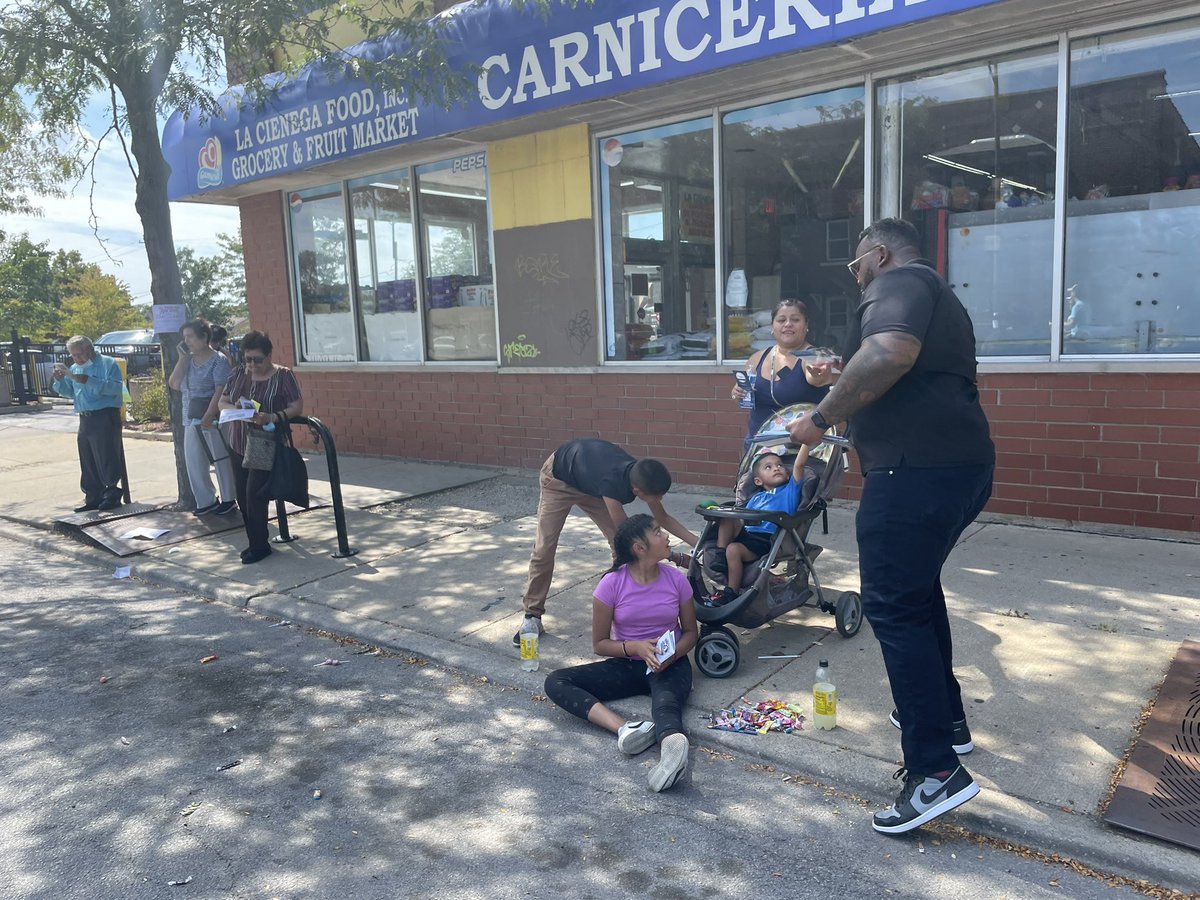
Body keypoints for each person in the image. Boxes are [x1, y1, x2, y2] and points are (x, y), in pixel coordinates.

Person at [787, 218, 995, 835]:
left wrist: (820, 419)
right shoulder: (938, 293)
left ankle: (934, 772)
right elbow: (899, 370)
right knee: (917, 594)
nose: (857, 279)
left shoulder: (898, 280)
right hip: (956, 468)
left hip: (913, 474)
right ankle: (946, 723)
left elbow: (889, 354)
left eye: (856, 267)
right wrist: (843, 377)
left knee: (894, 608)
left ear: (877, 255)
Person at [543, 514, 698, 793]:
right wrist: (634, 647)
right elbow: (600, 644)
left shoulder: (676, 579)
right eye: (657, 532)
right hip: (628, 664)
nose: (666, 536)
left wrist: (671, 656)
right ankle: (625, 729)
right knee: (556, 681)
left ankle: (672, 749)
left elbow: (690, 633)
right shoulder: (611, 584)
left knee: (666, 706)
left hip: (670, 665)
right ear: (640, 548)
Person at [517, 437, 699, 646]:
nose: (659, 500)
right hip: (559, 479)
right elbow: (629, 538)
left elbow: (663, 517)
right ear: (637, 492)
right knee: (545, 548)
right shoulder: (612, 485)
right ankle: (532, 615)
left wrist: (699, 544)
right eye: (657, 497)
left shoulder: (641, 475)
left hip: (591, 483)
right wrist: (674, 556)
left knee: (620, 547)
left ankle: (628, 607)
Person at [217, 331, 303, 564]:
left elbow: (297, 406)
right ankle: (254, 541)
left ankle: (259, 546)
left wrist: (272, 417)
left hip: (265, 442)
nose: (253, 365)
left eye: (258, 360)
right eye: (248, 359)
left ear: (269, 355)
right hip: (238, 441)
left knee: (254, 494)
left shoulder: (283, 375)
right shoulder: (237, 374)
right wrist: (235, 409)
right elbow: (222, 401)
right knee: (243, 496)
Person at [731, 299, 836, 451]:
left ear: (806, 325)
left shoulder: (813, 356)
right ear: (772, 326)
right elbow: (742, 396)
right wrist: (737, 393)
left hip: (800, 452)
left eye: (795, 320)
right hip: (758, 450)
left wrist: (817, 373)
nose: (788, 324)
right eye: (781, 320)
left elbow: (817, 377)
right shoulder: (757, 359)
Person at [716, 444, 812, 595]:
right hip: (746, 534)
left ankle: (731, 592)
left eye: (780, 465)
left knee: (733, 549)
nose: (776, 468)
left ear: (788, 475)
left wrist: (806, 443)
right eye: (768, 467)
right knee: (726, 517)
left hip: (767, 539)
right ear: (758, 481)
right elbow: (742, 520)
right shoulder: (756, 498)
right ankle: (719, 557)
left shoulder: (790, 491)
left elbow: (799, 465)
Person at [167, 319, 237, 517]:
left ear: (204, 336)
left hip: (212, 418)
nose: (187, 341)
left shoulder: (218, 360)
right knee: (194, 461)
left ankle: (229, 498)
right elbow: (174, 383)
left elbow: (220, 388)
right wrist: (182, 360)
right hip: (190, 417)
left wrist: (210, 412)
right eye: (184, 337)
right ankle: (206, 500)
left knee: (220, 458)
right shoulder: (188, 361)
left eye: (190, 336)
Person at [51, 336, 127, 512]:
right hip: (85, 417)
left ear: (89, 349)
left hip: (104, 414)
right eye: (73, 355)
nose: (77, 358)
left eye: (80, 354)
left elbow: (116, 388)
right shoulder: (75, 368)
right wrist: (60, 380)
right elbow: (69, 392)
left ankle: (112, 494)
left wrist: (88, 380)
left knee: (106, 454)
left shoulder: (107, 363)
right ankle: (93, 495)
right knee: (88, 457)